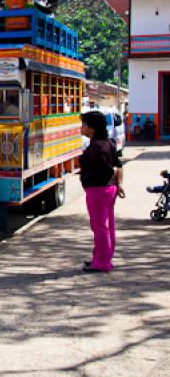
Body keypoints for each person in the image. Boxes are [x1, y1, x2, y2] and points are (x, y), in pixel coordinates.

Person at [79, 111, 124, 273]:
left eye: (84, 124)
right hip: (108, 189)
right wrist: (118, 184)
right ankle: (102, 257)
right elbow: (118, 165)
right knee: (107, 225)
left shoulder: (97, 147)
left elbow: (108, 169)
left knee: (99, 226)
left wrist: (113, 179)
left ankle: (102, 262)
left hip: (99, 190)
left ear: (91, 128)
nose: (81, 127)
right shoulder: (107, 143)